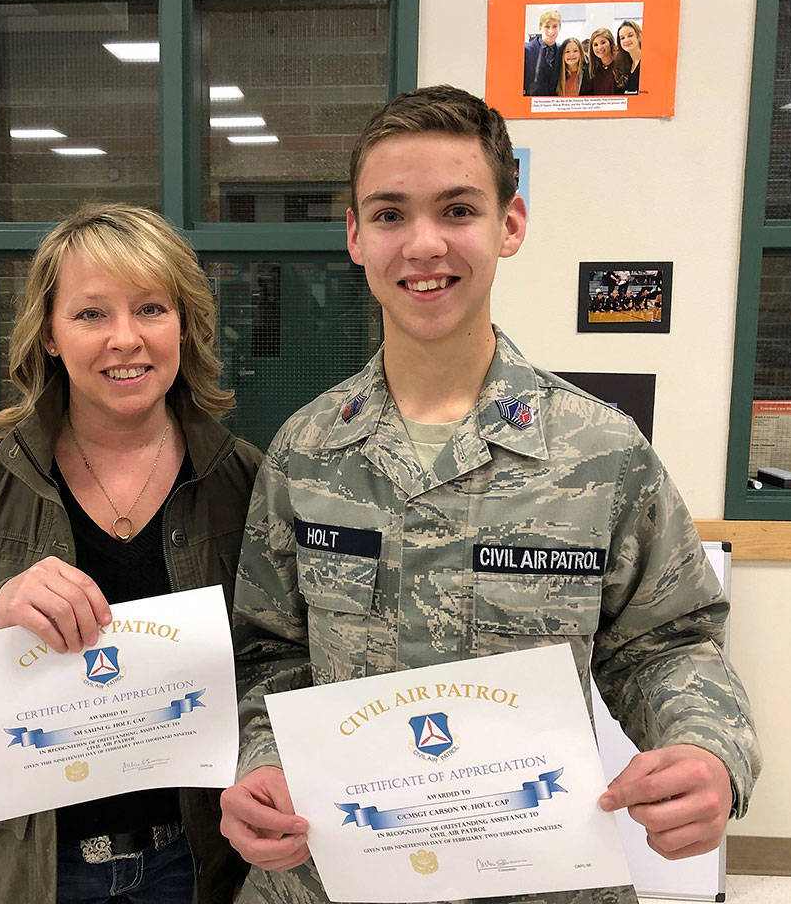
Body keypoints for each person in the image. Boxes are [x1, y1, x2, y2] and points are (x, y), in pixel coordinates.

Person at [221, 85, 761, 904]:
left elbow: (671, 643)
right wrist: (263, 764)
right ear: (356, 237)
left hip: (539, 883)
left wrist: (705, 748)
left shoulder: (600, 453)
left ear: (510, 225)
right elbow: (269, 655)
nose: (424, 244)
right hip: (334, 878)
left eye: (458, 210)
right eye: (391, 214)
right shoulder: (305, 453)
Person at [0, 203, 261, 904]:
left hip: (195, 863)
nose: (126, 339)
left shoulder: (241, 481)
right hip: (27, 875)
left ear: (184, 327)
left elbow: (275, 667)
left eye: (150, 308)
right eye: (90, 314)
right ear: (49, 336)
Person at [523, 8, 562, 97]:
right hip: (531, 103)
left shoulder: (562, 50)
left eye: (555, 26)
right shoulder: (526, 50)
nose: (551, 31)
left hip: (555, 104)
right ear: (540, 28)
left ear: (560, 27)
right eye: (547, 26)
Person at [585, 27, 628, 96]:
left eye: (603, 42)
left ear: (611, 43)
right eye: (595, 44)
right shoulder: (592, 69)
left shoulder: (622, 64)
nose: (599, 47)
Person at [618, 20, 643, 94]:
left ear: (638, 36)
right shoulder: (625, 65)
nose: (626, 40)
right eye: (622, 38)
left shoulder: (649, 62)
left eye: (630, 35)